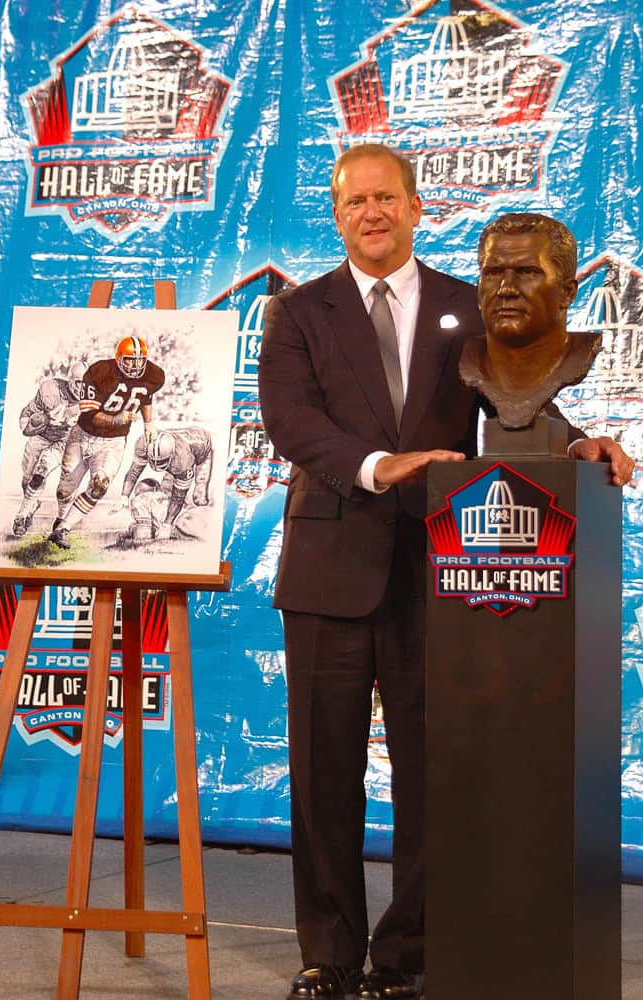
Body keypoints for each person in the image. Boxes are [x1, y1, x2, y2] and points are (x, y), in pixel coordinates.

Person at [258, 142, 634, 1000]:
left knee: (436, 771)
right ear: (338, 213)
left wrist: (579, 444)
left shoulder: (472, 304)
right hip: (329, 565)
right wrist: (378, 465)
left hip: (448, 574)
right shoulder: (299, 313)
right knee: (323, 774)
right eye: (356, 203)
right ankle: (329, 955)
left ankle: (407, 953)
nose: (373, 214)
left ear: (418, 206)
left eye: (387, 198)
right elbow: (291, 423)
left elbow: (518, 403)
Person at [460, 212, 602, 429]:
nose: (506, 288)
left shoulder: (577, 357)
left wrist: (576, 446)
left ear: (567, 292)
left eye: (527, 272)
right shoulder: (465, 358)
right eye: (493, 273)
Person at [49, 334, 164, 549]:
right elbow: (89, 413)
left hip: (113, 441)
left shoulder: (153, 375)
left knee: (99, 486)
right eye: (130, 359)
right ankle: (60, 519)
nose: (136, 365)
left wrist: (149, 422)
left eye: (140, 360)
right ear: (119, 357)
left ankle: (63, 528)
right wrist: (115, 419)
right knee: (64, 490)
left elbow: (145, 396)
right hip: (83, 434)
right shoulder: (100, 371)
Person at [12, 362, 85, 537]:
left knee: (41, 471)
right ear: (69, 381)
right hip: (42, 435)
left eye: (86, 383)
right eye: (78, 382)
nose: (82, 387)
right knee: (27, 478)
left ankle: (20, 516)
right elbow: (26, 414)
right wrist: (31, 425)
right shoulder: (51, 390)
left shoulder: (91, 398)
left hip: (64, 441)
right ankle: (31, 505)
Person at [115, 425, 213, 539]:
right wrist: (124, 496)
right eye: (153, 460)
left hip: (202, 450)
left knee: (198, 498)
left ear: (171, 456)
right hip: (179, 447)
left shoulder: (183, 460)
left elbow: (178, 496)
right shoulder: (143, 443)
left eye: (162, 461)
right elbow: (134, 472)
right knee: (165, 493)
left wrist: (167, 525)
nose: (157, 465)